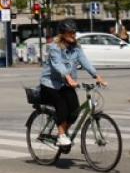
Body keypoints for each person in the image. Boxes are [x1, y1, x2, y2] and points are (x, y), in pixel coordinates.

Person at [39, 21, 106, 150]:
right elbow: (58, 64)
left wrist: (97, 76)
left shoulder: (76, 48)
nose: (73, 35)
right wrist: (68, 78)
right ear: (63, 34)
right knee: (62, 107)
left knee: (75, 111)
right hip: (50, 84)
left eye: (74, 32)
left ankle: (63, 133)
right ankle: (61, 135)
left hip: (66, 84)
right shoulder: (54, 47)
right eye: (70, 32)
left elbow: (85, 61)